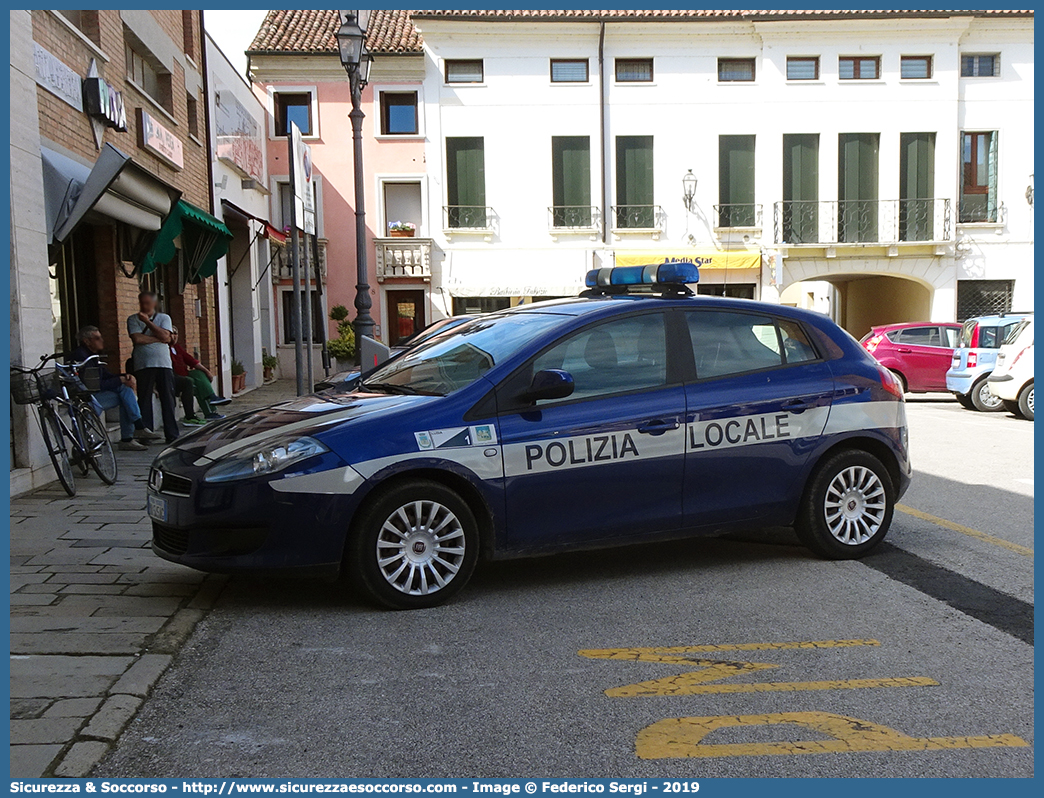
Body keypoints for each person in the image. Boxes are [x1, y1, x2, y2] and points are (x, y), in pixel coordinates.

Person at [70, 326, 163, 451]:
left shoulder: (93, 355)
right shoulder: (82, 356)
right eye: (97, 338)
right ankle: (132, 433)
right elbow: (93, 386)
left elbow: (107, 376)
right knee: (124, 392)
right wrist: (120, 380)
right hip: (87, 399)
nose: (102, 340)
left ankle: (132, 434)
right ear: (87, 341)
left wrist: (125, 376)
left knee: (125, 393)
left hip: (96, 396)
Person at [127, 291, 179, 443]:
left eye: (147, 303)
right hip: (143, 363)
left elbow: (166, 337)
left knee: (168, 399)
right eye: (142, 302)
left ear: (154, 304)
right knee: (144, 398)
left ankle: (171, 433)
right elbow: (137, 338)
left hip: (163, 363)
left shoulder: (164, 318)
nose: (144, 306)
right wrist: (158, 337)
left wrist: (148, 323)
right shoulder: (133, 319)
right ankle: (146, 433)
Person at [168, 326, 230, 424]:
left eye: (176, 334)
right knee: (195, 385)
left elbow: (191, 360)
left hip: (185, 375)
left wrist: (207, 371)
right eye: (171, 333)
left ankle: (212, 398)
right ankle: (208, 412)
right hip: (175, 378)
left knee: (199, 373)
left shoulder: (177, 347)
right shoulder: (163, 349)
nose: (174, 336)